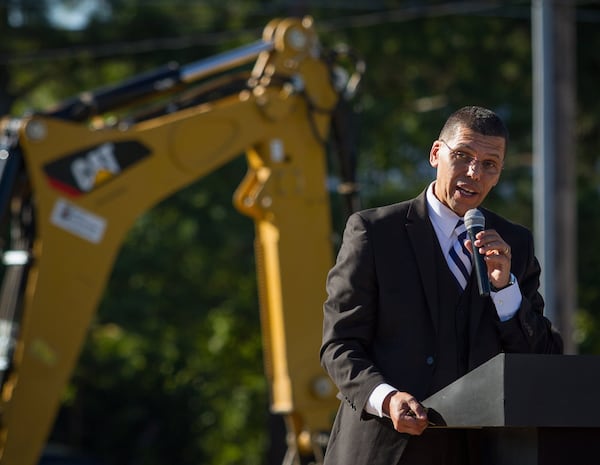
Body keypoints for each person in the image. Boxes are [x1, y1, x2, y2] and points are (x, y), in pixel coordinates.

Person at [319, 105, 563, 465]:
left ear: (498, 175)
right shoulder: (374, 233)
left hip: (480, 453)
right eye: (462, 156)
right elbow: (339, 345)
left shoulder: (515, 244)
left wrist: (505, 290)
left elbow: (542, 359)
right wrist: (386, 398)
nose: (473, 173)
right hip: (384, 451)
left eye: (489, 164)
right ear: (436, 153)